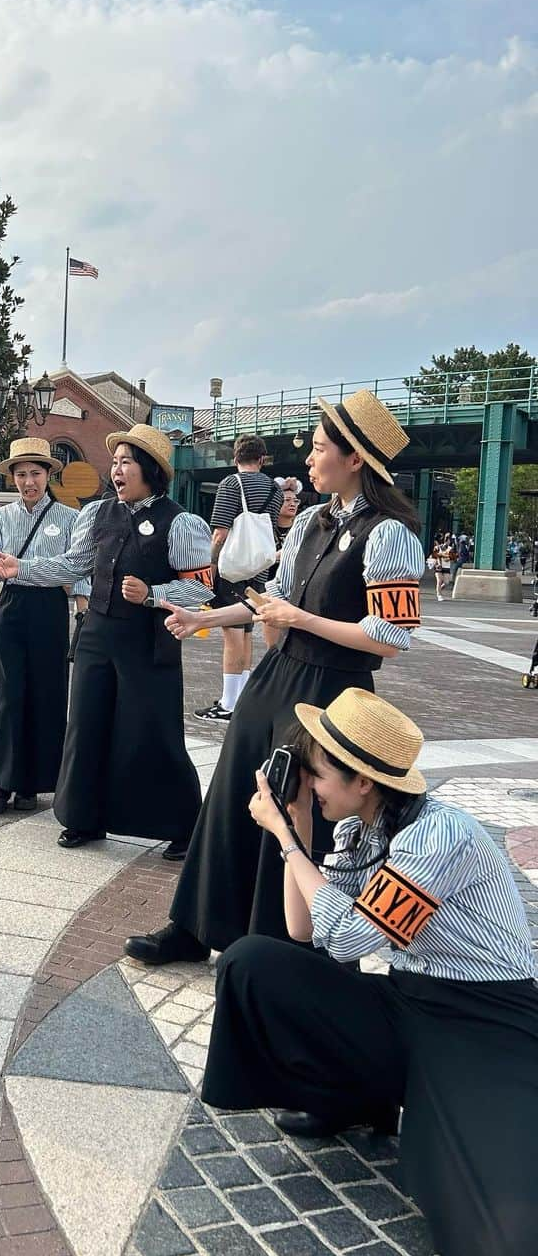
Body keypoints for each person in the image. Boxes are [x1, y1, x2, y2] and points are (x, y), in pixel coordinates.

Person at [204, 688, 538, 1256]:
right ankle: (352, 1098)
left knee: (502, 1238)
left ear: (364, 782)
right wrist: (300, 830)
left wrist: (285, 837)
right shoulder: (361, 829)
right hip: (412, 998)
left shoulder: (438, 837)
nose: (309, 782)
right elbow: (303, 929)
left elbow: (355, 939)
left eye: (319, 774)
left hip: (488, 1019)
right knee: (253, 962)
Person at [126, 389, 425, 963]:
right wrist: (203, 615)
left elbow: (392, 638)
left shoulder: (390, 534)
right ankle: (194, 926)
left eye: (318, 449)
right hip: (278, 676)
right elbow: (276, 599)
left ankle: (272, 944)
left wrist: (302, 619)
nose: (307, 461)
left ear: (355, 458)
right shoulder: (313, 519)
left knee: (294, 806)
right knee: (232, 793)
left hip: (334, 693)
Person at [0, 424, 214, 855]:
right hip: (97, 635)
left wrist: (155, 595)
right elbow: (74, 565)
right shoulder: (98, 513)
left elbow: (202, 588)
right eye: (116, 462)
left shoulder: (181, 523)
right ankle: (84, 817)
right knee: (86, 725)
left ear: (151, 470)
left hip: (148, 640)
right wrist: (21, 570)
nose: (117, 470)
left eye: (126, 462)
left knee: (152, 731)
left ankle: (182, 825)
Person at [0, 438, 86, 816]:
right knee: (8, 694)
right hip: (12, 605)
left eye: (35, 473)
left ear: (49, 474)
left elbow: (79, 570)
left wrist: (83, 612)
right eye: (21, 474)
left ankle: (34, 784)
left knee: (49, 692)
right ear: (12, 478)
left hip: (51, 606)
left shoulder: (70, 518)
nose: (28, 481)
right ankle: (3, 781)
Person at [195, 436, 284, 724]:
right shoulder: (274, 489)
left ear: (235, 458)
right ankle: (240, 697)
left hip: (233, 568)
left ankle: (229, 703)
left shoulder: (231, 484)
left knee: (231, 636)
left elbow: (220, 532)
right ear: (261, 459)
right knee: (246, 633)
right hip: (258, 568)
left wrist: (209, 565)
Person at [431, 533, 454, 602]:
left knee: (446, 582)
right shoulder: (438, 547)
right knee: (439, 581)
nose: (449, 541)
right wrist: (439, 561)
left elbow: (453, 557)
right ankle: (439, 595)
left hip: (446, 567)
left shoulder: (451, 548)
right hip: (439, 567)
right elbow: (435, 555)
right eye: (448, 540)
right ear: (445, 540)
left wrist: (449, 558)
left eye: (450, 540)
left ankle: (439, 589)